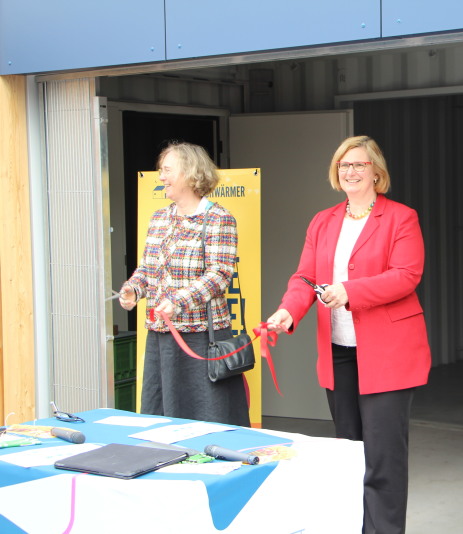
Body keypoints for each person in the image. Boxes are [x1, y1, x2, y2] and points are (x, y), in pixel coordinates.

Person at [266, 135, 431, 534]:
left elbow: (406, 275)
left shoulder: (400, 217)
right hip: (338, 351)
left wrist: (350, 292)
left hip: (388, 355)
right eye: (344, 165)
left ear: (376, 170)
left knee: (383, 457)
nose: (351, 172)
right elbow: (305, 277)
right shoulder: (323, 221)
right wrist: (289, 310)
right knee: (349, 452)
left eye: (359, 164)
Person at [118, 141, 249, 427]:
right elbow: (148, 269)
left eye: (167, 171)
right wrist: (133, 289)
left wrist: (179, 301)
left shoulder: (218, 219)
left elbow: (219, 275)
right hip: (161, 334)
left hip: (201, 336)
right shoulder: (159, 218)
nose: (161, 177)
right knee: (159, 414)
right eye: (160, 171)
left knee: (205, 413)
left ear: (190, 174)